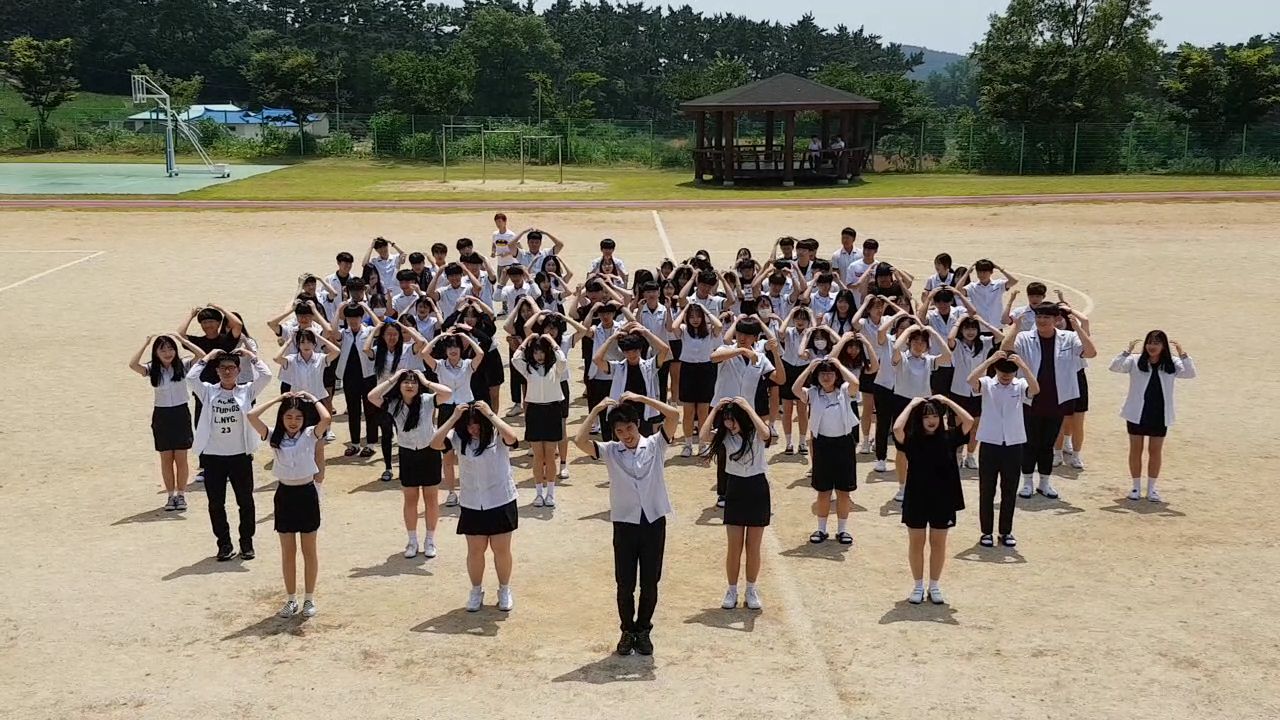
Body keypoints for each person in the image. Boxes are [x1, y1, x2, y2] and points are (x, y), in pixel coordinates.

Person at [575, 394, 681, 657]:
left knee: (650, 581)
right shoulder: (611, 450)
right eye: (620, 431)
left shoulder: (656, 444)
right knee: (624, 583)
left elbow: (674, 416)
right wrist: (597, 408)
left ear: (638, 425)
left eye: (630, 428)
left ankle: (643, 630)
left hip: (653, 521)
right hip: (625, 523)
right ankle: (627, 630)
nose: (626, 435)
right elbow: (579, 441)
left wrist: (642, 398)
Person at [430, 402, 520, 613]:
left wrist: (490, 414)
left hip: (500, 499)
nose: (474, 428)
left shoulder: (496, 434)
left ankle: (504, 589)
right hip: (472, 502)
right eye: (469, 424)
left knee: (501, 549)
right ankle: (476, 590)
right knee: (475, 550)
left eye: (477, 424)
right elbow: (435, 444)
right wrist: (452, 418)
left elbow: (513, 438)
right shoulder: (458, 437)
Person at [246, 392, 331, 619]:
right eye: (288, 417)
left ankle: (309, 598)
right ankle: (291, 599)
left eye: (298, 418)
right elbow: (252, 415)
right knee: (288, 551)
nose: (293, 422)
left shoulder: (311, 435)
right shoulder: (274, 436)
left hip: (306, 493)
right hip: (285, 494)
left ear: (304, 420)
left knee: (309, 550)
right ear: (282, 418)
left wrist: (312, 398)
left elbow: (326, 419)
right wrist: (277, 400)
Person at [186, 348, 272, 561]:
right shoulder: (207, 391)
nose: (227, 372)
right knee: (216, 503)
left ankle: (246, 542)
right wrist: (209, 356)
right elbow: (191, 377)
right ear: (217, 371)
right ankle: (224, 544)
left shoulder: (247, 391)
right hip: (213, 456)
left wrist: (250, 354)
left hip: (240, 455)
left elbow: (267, 375)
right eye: (223, 368)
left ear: (238, 370)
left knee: (246, 501)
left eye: (231, 368)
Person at [1004, 302, 1097, 500]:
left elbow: (1090, 353)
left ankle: (1045, 483)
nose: (1041, 321)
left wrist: (1078, 327)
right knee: (1029, 442)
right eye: (1039, 317)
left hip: (1057, 398)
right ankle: (1027, 482)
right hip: (1030, 399)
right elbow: (1005, 351)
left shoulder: (1069, 338)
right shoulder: (1025, 337)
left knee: (1048, 443)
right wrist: (1016, 327)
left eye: (1046, 317)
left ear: (1057, 320)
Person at [893, 395, 973, 604]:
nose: (932, 420)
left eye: (936, 415)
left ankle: (934, 585)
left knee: (938, 543)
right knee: (916, 543)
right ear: (919, 419)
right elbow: (896, 430)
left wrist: (947, 402)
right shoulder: (911, 439)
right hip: (917, 497)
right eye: (927, 416)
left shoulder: (950, 437)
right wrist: (911, 405)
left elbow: (969, 421)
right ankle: (918, 586)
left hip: (943, 499)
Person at [368, 369, 454, 559]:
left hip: (429, 451)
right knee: (410, 498)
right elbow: (372, 396)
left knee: (431, 498)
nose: (409, 385)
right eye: (405, 382)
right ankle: (412, 540)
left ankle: (430, 540)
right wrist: (393, 378)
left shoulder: (427, 400)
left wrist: (425, 380)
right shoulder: (393, 404)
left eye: (413, 382)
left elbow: (447, 393)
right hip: (407, 454)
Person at [699, 397, 772, 611]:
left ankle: (751, 589)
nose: (729, 425)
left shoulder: (755, 434)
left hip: (757, 488)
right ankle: (731, 589)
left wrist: (748, 406)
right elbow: (703, 436)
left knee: (753, 546)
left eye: (732, 420)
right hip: (736, 488)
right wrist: (716, 410)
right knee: (735, 546)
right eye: (726, 420)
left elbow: (766, 433)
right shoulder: (725, 438)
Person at [1110, 331, 1196, 502]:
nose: (1152, 346)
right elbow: (1115, 367)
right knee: (1136, 450)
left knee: (1155, 451)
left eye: (1157, 342)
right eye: (1150, 342)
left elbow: (1190, 373)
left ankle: (1151, 488)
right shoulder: (1135, 360)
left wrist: (1183, 354)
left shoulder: (1172, 363)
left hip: (1159, 414)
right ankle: (1135, 487)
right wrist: (1126, 351)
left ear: (1163, 346)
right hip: (1137, 413)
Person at [968, 351, 1038, 548]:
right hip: (990, 443)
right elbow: (970, 380)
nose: (1006, 375)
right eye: (1002, 371)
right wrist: (990, 361)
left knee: (1009, 490)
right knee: (987, 489)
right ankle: (986, 532)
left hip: (1014, 443)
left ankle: (1005, 531)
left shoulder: (1021, 384)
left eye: (1010, 371)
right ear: (996, 370)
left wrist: (1023, 366)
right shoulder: (987, 383)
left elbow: (1036, 389)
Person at [792, 354, 861, 545]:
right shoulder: (813, 393)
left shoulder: (845, 390)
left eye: (830, 373)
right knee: (823, 491)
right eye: (822, 373)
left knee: (843, 491)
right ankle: (821, 529)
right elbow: (795, 389)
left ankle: (842, 531)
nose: (826, 377)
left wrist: (839, 364)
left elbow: (855, 383)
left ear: (837, 375)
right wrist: (809, 368)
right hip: (822, 445)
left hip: (844, 444)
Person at [129, 334, 194, 511]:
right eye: (162, 349)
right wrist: (145, 342)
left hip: (181, 413)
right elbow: (133, 365)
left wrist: (185, 342)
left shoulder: (184, 365)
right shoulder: (152, 369)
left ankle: (181, 495)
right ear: (156, 353)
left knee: (181, 458)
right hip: (162, 415)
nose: (167, 353)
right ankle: (170, 496)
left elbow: (202, 356)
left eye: (171, 348)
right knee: (166, 458)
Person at [511, 332, 569, 507]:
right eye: (536, 352)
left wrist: (550, 340)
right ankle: (538, 494)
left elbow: (563, 359)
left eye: (542, 352)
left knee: (550, 455)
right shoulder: (528, 368)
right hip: (535, 411)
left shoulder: (556, 368)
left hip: (552, 410)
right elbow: (515, 359)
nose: (539, 356)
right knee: (538, 455)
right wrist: (528, 339)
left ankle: (550, 493)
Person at [669, 302, 722, 456]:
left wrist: (704, 309)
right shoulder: (684, 331)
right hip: (688, 370)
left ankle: (703, 444)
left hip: (706, 370)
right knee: (689, 411)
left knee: (703, 410)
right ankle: (687, 445)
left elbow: (718, 325)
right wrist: (685, 308)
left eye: (698, 316)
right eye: (691, 317)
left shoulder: (711, 331)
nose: (695, 320)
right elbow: (673, 327)